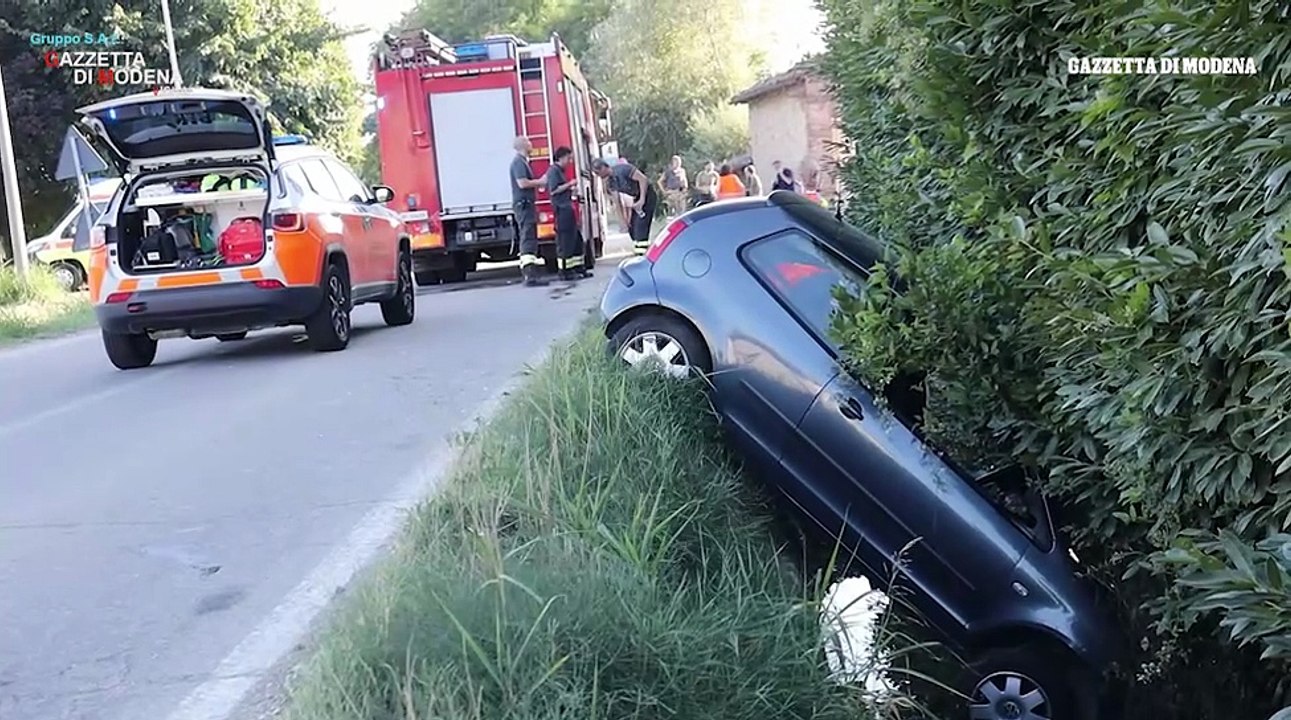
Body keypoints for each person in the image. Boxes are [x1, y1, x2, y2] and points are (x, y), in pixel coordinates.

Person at [593, 157, 657, 255]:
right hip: (636, 197)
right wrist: (623, 221)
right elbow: (617, 202)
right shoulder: (610, 183)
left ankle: (642, 255)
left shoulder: (623, 170)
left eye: (598, 173)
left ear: (603, 167)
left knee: (640, 228)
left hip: (647, 194)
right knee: (633, 229)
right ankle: (641, 252)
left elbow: (643, 179)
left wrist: (642, 200)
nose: (598, 176)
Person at [545, 146, 592, 281]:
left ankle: (577, 267)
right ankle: (564, 271)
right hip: (561, 211)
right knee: (565, 241)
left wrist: (571, 191)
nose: (570, 161)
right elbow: (553, 190)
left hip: (567, 209)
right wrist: (569, 184)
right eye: (568, 158)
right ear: (561, 157)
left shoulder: (560, 171)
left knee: (575, 239)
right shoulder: (553, 171)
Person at [509, 136, 549, 287]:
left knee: (530, 237)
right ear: (523, 145)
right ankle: (529, 275)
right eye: (528, 141)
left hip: (526, 205)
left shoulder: (522, 162)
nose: (531, 143)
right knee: (527, 237)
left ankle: (531, 273)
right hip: (524, 205)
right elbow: (522, 183)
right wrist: (541, 181)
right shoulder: (519, 162)